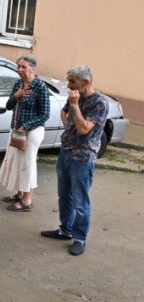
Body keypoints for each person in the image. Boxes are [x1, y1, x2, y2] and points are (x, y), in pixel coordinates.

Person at [41, 65, 108, 256]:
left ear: (85, 82)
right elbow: (64, 113)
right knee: (64, 196)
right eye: (68, 79)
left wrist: (75, 106)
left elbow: (84, 129)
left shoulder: (99, 103)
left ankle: (79, 238)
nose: (68, 84)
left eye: (72, 81)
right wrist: (68, 127)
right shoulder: (73, 97)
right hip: (65, 154)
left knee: (80, 202)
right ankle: (65, 230)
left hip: (83, 159)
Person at [0, 55, 50, 211]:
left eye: (23, 67)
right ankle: (20, 194)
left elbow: (44, 114)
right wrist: (16, 95)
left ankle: (27, 201)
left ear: (32, 68)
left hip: (32, 132)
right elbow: (8, 106)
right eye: (18, 66)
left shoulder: (40, 87)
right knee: (16, 162)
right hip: (17, 130)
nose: (19, 70)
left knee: (27, 164)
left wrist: (26, 126)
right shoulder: (18, 84)